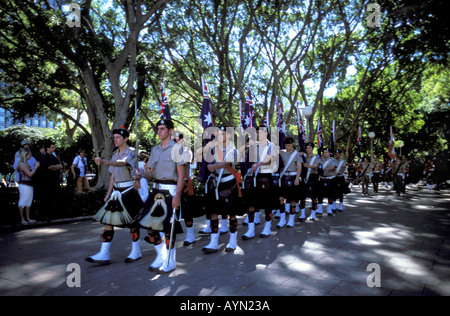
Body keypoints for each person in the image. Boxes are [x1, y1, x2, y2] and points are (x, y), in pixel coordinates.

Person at [87, 126, 144, 265]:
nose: (115, 140)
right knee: (108, 222)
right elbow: (112, 176)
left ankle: (136, 251)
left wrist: (104, 162)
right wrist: (108, 194)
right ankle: (104, 253)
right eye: (115, 137)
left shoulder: (131, 153)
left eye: (118, 137)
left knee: (133, 223)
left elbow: (122, 163)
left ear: (126, 139)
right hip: (116, 193)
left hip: (129, 191)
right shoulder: (114, 154)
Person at [139, 119, 185, 274]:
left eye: (162, 129)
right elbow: (150, 173)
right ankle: (161, 255)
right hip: (156, 191)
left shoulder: (177, 149)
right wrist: (143, 174)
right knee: (147, 225)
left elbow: (181, 175)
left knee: (168, 229)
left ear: (170, 131)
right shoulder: (155, 149)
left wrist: (177, 196)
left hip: (170, 191)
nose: (159, 131)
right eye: (158, 129)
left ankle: (170, 261)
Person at [202, 125, 242, 253]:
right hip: (216, 184)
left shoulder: (233, 150)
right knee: (213, 212)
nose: (221, 136)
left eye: (223, 134)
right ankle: (213, 242)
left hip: (229, 184)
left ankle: (232, 241)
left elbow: (227, 163)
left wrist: (214, 166)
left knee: (231, 213)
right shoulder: (213, 149)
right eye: (219, 134)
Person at [241, 125, 277, 239]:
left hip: (265, 177)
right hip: (253, 178)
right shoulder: (253, 146)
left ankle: (267, 227)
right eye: (258, 132)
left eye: (262, 132)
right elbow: (245, 159)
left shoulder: (271, 146)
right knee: (251, 204)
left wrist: (259, 164)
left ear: (266, 133)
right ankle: (251, 229)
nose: (259, 134)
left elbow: (272, 160)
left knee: (267, 205)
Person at [277, 137, 302, 228]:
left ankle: (291, 220)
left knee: (292, 200)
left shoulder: (297, 154)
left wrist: (297, 178)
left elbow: (299, 167)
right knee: (281, 199)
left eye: (289, 145)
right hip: (283, 177)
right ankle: (282, 219)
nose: (288, 147)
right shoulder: (282, 153)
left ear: (293, 145)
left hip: (293, 177)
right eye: (286, 145)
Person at [39, 142, 62, 221]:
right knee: (47, 199)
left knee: (54, 198)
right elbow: (49, 167)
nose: (53, 148)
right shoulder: (44, 157)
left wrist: (54, 166)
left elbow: (60, 165)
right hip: (47, 182)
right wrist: (55, 167)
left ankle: (54, 215)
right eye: (52, 147)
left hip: (55, 181)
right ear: (48, 148)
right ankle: (46, 216)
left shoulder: (53, 156)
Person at [297, 142, 320, 222]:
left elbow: (316, 166)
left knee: (313, 197)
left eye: (309, 148)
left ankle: (313, 214)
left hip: (313, 177)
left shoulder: (316, 157)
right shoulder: (303, 157)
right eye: (306, 148)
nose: (308, 149)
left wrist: (308, 166)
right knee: (302, 197)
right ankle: (302, 214)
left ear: (313, 149)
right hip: (304, 177)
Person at [17, 149, 40, 225]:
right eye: (29, 155)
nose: (30, 156)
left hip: (29, 185)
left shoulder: (26, 164)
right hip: (24, 185)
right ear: (25, 155)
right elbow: (29, 174)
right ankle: (22, 219)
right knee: (23, 201)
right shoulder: (22, 164)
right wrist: (36, 167)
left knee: (28, 202)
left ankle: (28, 218)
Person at [317, 147, 337, 216]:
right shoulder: (320, 159)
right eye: (324, 152)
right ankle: (319, 209)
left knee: (330, 195)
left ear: (329, 153)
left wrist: (327, 168)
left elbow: (334, 166)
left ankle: (329, 209)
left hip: (331, 178)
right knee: (320, 195)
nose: (325, 154)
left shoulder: (332, 160)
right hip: (322, 178)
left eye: (326, 152)